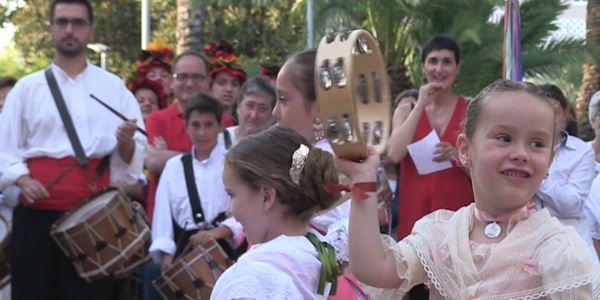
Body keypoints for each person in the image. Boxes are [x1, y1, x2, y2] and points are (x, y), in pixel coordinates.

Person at [341, 80, 600, 298]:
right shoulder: (440, 233)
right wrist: (364, 181)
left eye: (537, 143)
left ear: (550, 163)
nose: (521, 153)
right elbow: (374, 267)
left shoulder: (559, 250)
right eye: (504, 138)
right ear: (465, 150)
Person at [0, 1, 146, 299]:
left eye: (78, 23)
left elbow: (131, 161)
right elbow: (4, 149)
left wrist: (126, 143)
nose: (70, 29)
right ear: (50, 29)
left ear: (90, 30)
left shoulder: (113, 87)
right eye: (62, 22)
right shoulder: (26, 89)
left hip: (94, 221)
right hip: (34, 218)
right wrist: (23, 180)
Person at [210, 126, 341, 299]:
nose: (230, 209)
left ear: (266, 197)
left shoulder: (254, 279)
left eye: (231, 195)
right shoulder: (323, 252)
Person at [386, 35, 474, 242]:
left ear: (457, 68)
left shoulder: (471, 110)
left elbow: (483, 169)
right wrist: (419, 106)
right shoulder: (406, 110)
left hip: (458, 213)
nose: (439, 69)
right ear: (423, 67)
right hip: (416, 213)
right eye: (433, 61)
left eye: (447, 62)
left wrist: (457, 155)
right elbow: (393, 154)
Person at [150, 92, 243, 272]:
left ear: (220, 127)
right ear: (186, 126)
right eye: (195, 125)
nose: (202, 132)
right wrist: (167, 252)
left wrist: (220, 232)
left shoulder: (234, 165)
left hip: (226, 248)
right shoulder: (173, 167)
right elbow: (162, 216)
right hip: (185, 250)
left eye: (208, 125)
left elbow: (247, 211)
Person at [144, 51, 210, 221]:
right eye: (182, 76)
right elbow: (152, 160)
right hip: (165, 220)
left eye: (197, 77)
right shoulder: (157, 118)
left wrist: (168, 157)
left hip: (211, 221)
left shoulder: (224, 122)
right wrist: (204, 161)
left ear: (208, 82)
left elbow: (224, 167)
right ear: (172, 82)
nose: (189, 83)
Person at [533, 84, 596, 261]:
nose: (548, 120)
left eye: (555, 113)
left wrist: (539, 178)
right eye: (540, 114)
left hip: (571, 250)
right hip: (529, 246)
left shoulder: (581, 152)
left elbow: (573, 204)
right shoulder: (521, 151)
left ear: (566, 113)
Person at [204, 41, 246, 128]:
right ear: (209, 86)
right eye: (222, 83)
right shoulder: (199, 125)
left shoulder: (243, 127)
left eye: (234, 84)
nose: (229, 89)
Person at [223, 76, 275, 146]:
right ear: (238, 107)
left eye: (262, 109)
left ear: (271, 114)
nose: (254, 115)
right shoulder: (219, 140)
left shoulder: (274, 147)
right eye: (249, 106)